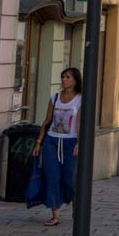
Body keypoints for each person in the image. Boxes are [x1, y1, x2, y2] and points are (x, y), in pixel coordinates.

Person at [28, 67, 83, 226]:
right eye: (63, 77)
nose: (64, 80)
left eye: (68, 77)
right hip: (51, 141)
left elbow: (79, 123)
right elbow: (47, 120)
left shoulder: (80, 99)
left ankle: (75, 205)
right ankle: (55, 215)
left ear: (75, 80)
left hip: (70, 143)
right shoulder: (55, 97)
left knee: (69, 180)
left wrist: (79, 142)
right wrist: (39, 142)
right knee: (52, 177)